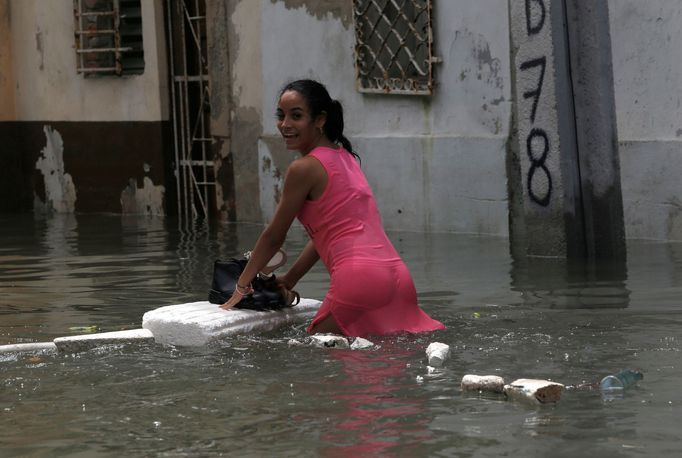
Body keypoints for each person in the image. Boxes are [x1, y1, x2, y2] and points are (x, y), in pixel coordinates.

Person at [220, 79, 445, 337]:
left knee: (315, 367)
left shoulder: (303, 168)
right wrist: (290, 279)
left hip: (359, 280)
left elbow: (274, 236)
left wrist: (241, 286)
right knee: (383, 369)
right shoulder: (347, 158)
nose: (285, 125)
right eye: (280, 116)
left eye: (296, 116)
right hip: (398, 279)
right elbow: (326, 234)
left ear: (320, 120)